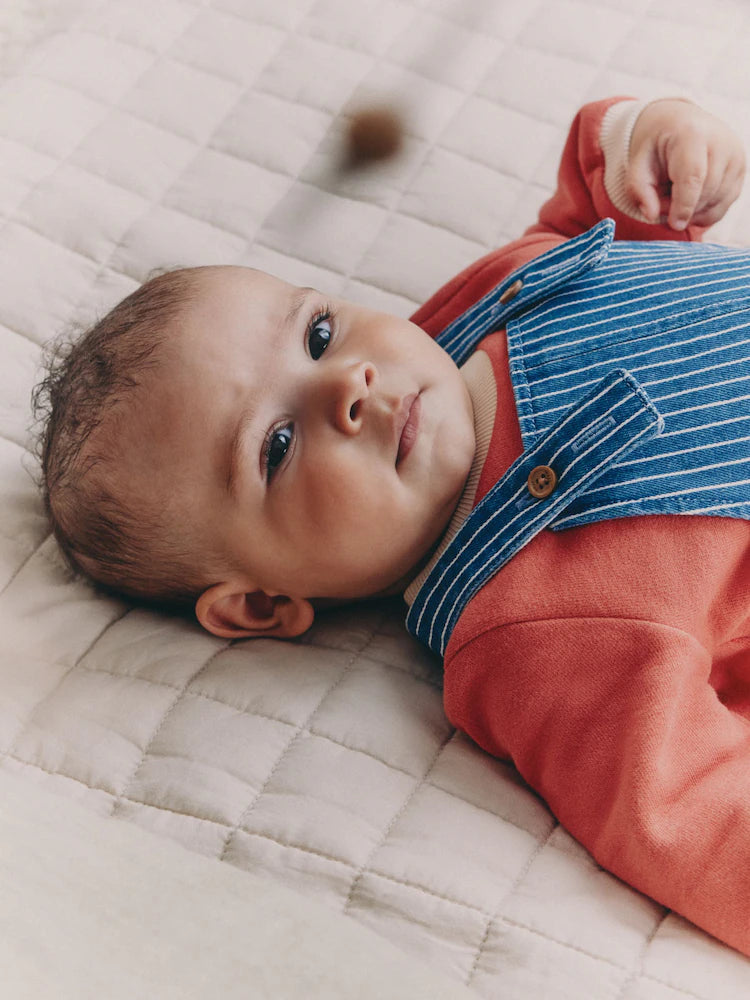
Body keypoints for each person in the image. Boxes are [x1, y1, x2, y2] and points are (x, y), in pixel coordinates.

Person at [33, 96, 750, 956]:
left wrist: (653, 141)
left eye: (319, 331)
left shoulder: (482, 304)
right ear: (262, 603)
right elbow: (682, 813)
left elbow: (595, 203)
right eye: (278, 445)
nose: (349, 384)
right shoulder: (533, 632)